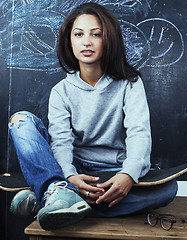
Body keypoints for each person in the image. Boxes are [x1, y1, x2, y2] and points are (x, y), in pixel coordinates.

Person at [8, 2, 178, 231]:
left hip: (113, 173)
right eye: (78, 34)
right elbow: (60, 141)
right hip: (75, 170)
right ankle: (58, 189)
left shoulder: (130, 84)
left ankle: (49, 199)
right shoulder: (61, 91)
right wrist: (69, 175)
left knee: (169, 190)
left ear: (109, 40)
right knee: (20, 121)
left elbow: (139, 134)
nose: (86, 42)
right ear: (70, 40)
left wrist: (128, 175)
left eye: (96, 34)